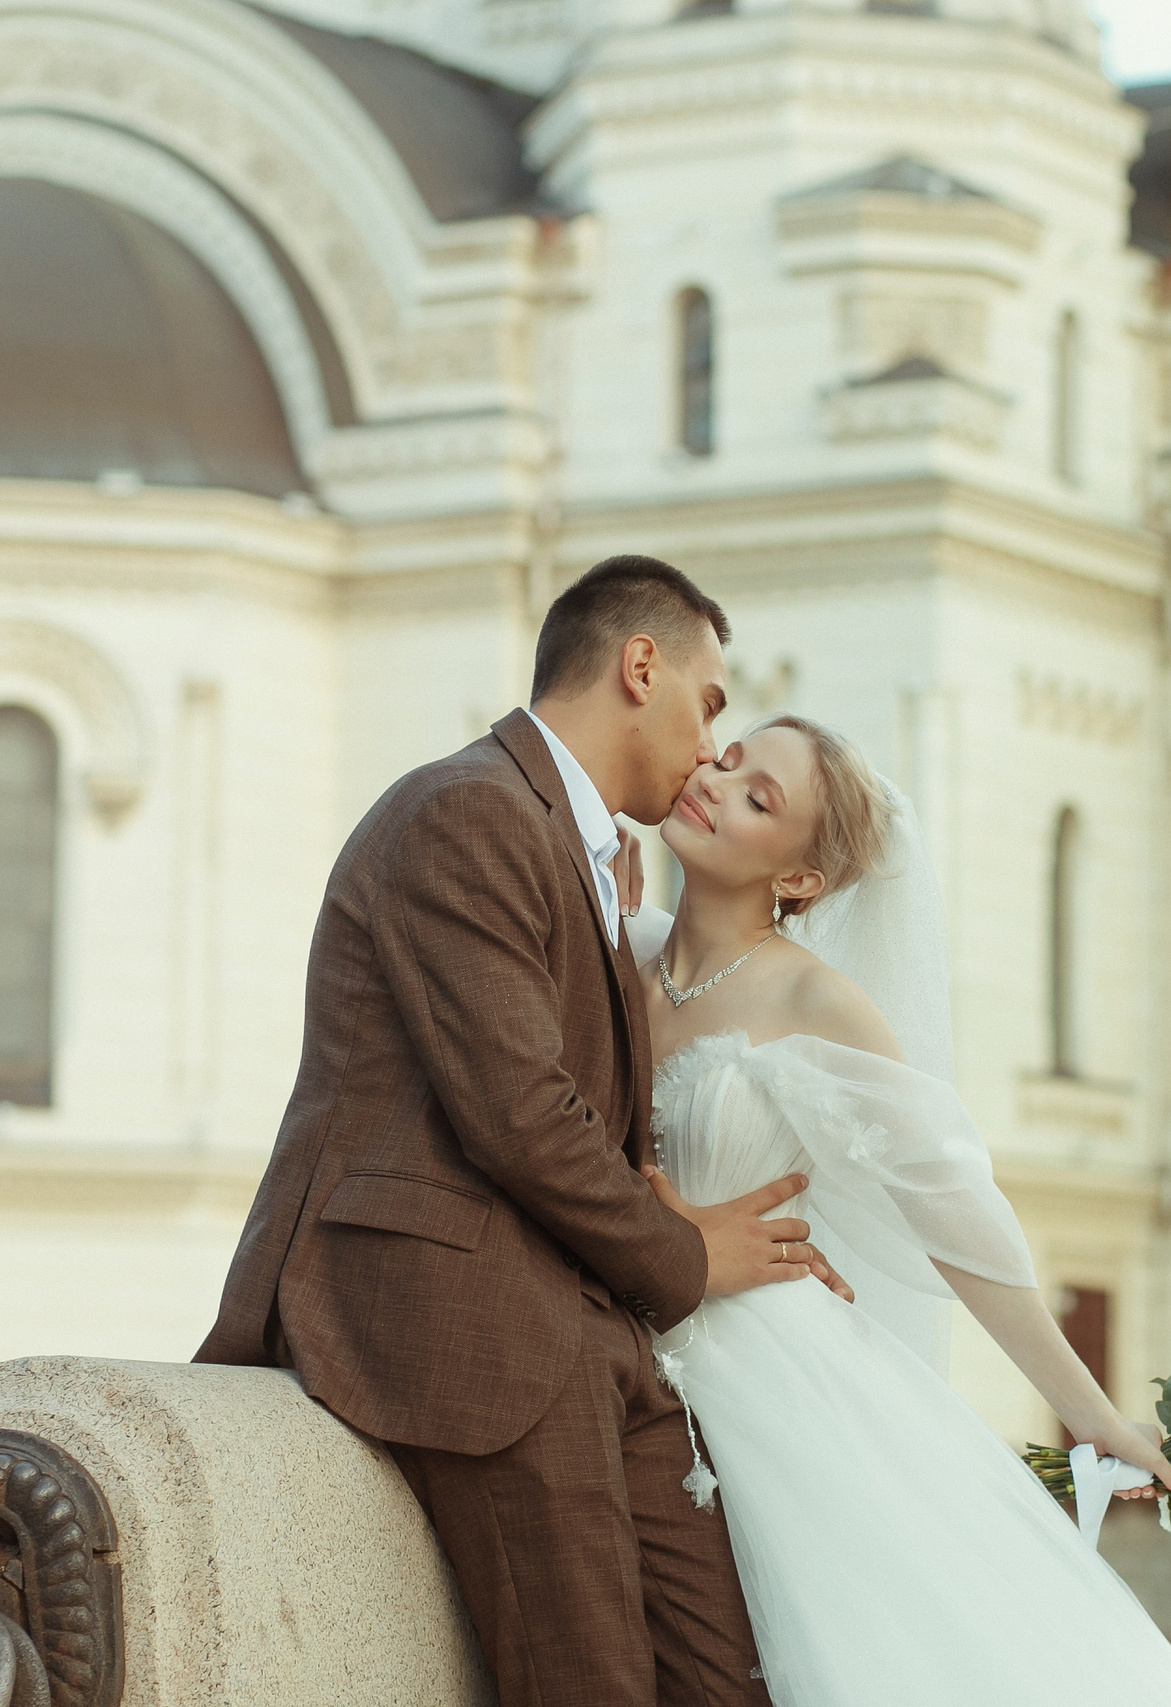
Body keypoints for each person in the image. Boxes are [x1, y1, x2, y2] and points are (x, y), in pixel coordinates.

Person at [195, 556, 849, 1707]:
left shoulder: (603, 855)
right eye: (709, 706)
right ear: (638, 666)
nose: (709, 747)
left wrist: (664, 1219)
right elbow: (519, 1113)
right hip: (452, 1311)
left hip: (583, 1319)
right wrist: (689, 1254)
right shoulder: (463, 812)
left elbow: (587, 1112)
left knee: (729, 1675)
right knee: (589, 1683)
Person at [628, 715, 1171, 1705]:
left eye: (759, 797)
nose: (716, 785)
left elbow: (951, 1210)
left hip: (765, 1372)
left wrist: (1089, 1413)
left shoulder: (818, 1003)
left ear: (800, 880)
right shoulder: (623, 949)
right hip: (628, 1332)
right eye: (730, 761)